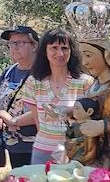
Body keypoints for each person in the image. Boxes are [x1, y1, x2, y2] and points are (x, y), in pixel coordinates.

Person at [9, 28, 93, 166]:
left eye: (65, 48)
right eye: (54, 48)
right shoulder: (34, 82)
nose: (60, 53)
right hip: (42, 152)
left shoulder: (86, 82)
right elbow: (38, 123)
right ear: (45, 51)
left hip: (77, 153)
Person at [66, 37, 110, 171]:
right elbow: (89, 108)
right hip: (92, 149)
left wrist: (103, 126)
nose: (84, 62)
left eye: (89, 55)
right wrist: (68, 111)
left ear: (107, 55)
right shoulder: (93, 86)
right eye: (82, 56)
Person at [0, 25, 39, 169]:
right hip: (14, 146)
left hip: (39, 145)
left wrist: (10, 119)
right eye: (11, 43)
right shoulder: (7, 73)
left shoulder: (44, 74)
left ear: (34, 46)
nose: (14, 47)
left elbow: (44, 110)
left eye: (20, 43)